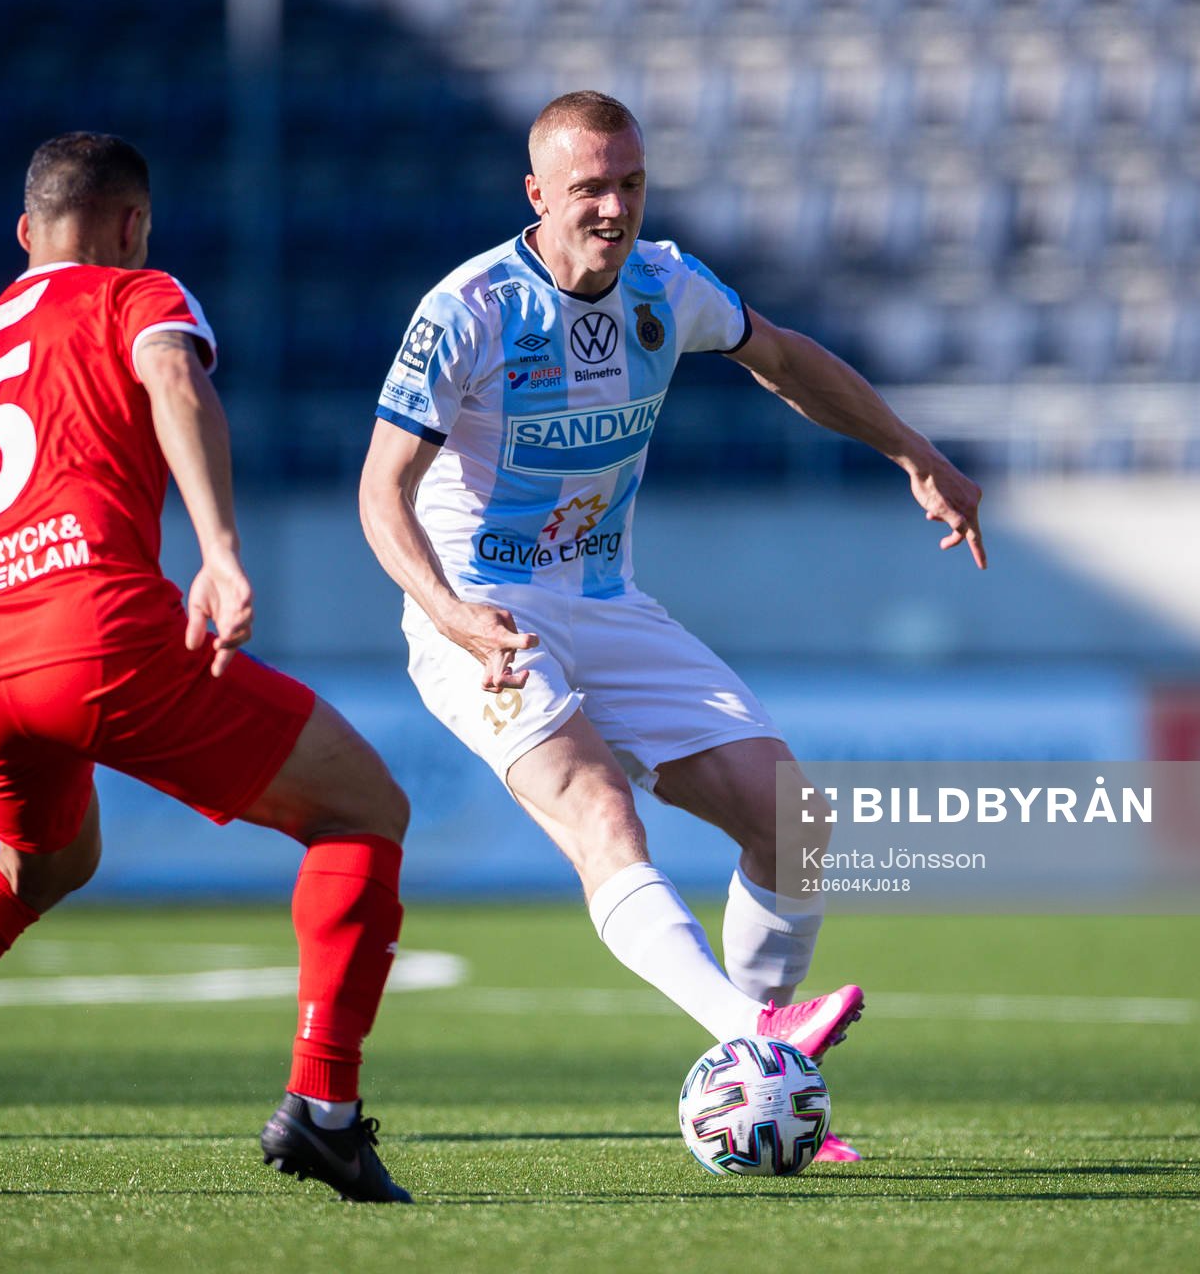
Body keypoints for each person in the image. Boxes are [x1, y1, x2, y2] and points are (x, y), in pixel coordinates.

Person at [0, 133, 413, 1203]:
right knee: (363, 809)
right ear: (132, 225)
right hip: (95, 631)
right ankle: (324, 1112)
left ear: (26, 232)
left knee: (45, 866)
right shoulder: (136, 293)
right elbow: (173, 378)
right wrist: (221, 550)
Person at [359, 92, 987, 1162]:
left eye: (631, 184)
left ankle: (763, 1071)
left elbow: (785, 360)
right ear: (537, 194)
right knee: (599, 807)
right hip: (485, 612)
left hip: (606, 600)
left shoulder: (666, 285)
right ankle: (762, 1042)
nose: (615, 207)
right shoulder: (468, 310)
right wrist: (454, 615)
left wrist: (912, 452)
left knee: (795, 821)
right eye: (590, 188)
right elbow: (382, 492)